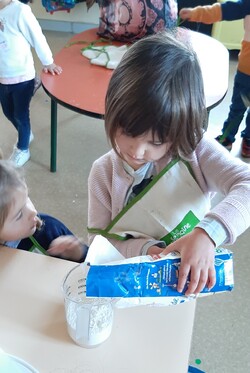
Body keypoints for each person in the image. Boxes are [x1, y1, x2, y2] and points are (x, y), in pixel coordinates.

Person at [87, 30, 250, 296]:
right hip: (130, 278)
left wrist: (208, 234)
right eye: (128, 132)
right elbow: (98, 241)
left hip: (185, 279)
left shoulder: (193, 149)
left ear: (179, 130)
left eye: (157, 142)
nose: (138, 151)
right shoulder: (103, 174)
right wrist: (146, 250)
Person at [179, 1, 250, 158]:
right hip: (246, 71)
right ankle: (227, 138)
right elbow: (223, 11)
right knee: (237, 107)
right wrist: (195, 13)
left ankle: (248, 140)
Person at [0, 0, 62, 167]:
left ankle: (23, 148)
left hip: (21, 77)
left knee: (20, 114)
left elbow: (37, 37)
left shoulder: (20, 11)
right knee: (7, 111)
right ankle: (26, 133)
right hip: (2, 77)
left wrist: (48, 62)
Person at [0, 158, 88, 262]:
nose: (32, 212)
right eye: (19, 215)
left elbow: (91, 260)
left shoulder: (49, 229)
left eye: (27, 199)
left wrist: (77, 253)